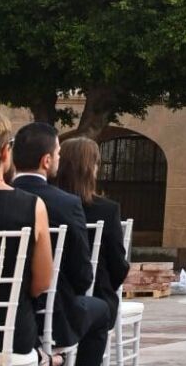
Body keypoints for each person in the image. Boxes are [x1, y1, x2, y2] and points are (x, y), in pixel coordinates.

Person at [12, 122, 110, 366]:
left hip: (3, 313)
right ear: (46, 161)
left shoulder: (3, 198)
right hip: (54, 316)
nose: (59, 158)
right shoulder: (66, 204)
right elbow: (82, 275)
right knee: (101, 311)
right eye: (57, 153)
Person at [0, 110, 58, 366]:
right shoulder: (32, 206)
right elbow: (42, 283)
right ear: (6, 152)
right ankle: (44, 364)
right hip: (12, 336)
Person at [55, 137, 130, 326]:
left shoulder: (48, 205)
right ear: (92, 169)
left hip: (52, 296)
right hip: (97, 294)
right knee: (98, 314)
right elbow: (118, 266)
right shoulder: (107, 210)